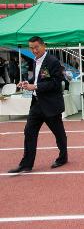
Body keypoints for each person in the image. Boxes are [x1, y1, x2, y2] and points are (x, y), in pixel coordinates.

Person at [8, 36, 68, 173]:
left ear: (43, 46)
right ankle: (26, 164)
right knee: (29, 131)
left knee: (59, 134)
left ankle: (63, 157)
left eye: (36, 47)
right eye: (31, 48)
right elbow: (37, 78)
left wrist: (34, 86)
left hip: (51, 105)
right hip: (37, 104)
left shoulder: (53, 61)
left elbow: (56, 83)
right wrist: (26, 83)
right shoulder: (35, 61)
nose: (34, 50)